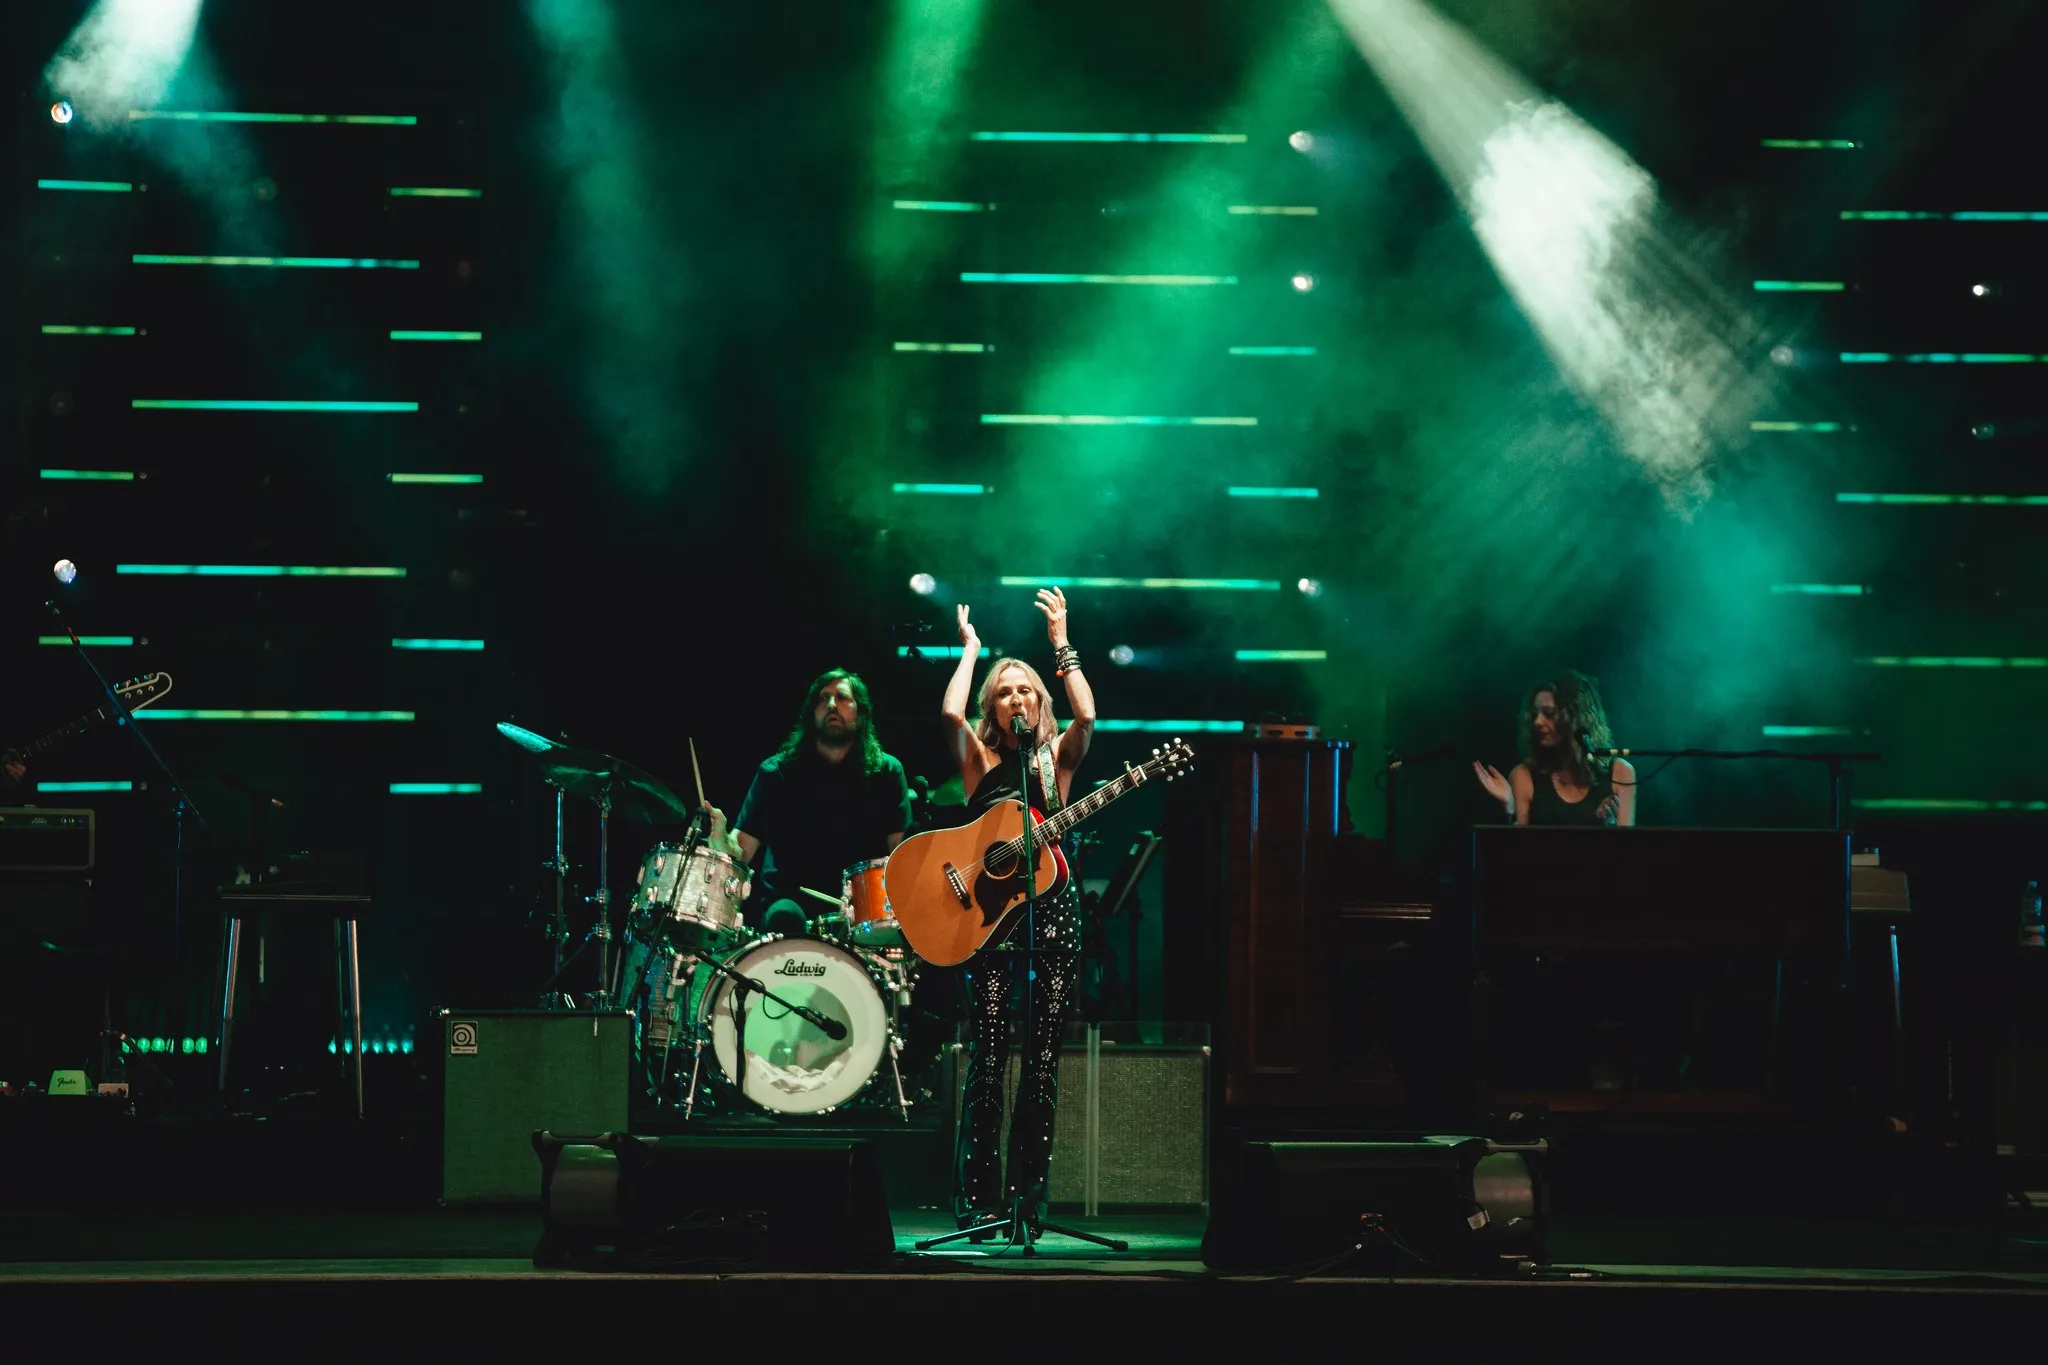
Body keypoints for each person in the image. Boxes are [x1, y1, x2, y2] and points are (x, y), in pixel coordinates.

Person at [942, 588, 1096, 1230]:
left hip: (1055, 914)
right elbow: (951, 715)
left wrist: (1061, 642)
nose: (1017, 698)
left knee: (1043, 1058)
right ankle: (979, 1198)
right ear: (994, 709)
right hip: (990, 923)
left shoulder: (1053, 762)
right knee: (991, 1050)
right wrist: (974, 650)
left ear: (1040, 702)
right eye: (1005, 692)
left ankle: (1028, 1196)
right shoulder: (981, 763)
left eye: (1026, 690)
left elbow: (1087, 717)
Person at [705, 669, 912, 936]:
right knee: (784, 916)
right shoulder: (776, 773)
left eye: (842, 697)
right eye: (823, 698)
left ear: (861, 715)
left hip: (861, 913)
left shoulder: (888, 772)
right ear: (810, 714)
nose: (832, 705)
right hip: (787, 909)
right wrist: (720, 839)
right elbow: (741, 851)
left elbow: (900, 853)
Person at [1472, 670, 1636, 826]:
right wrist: (1510, 807)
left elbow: (1628, 850)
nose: (1538, 722)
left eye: (1548, 713)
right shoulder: (1524, 776)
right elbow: (1520, 849)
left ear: (1575, 717)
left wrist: (1610, 822)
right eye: (1534, 715)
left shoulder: (1620, 773)